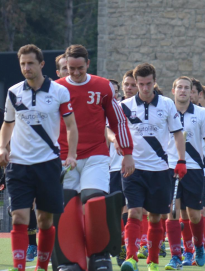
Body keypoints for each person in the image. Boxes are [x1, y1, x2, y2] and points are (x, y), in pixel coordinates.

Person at [0, 44, 78, 271]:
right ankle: (19, 266)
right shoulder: (13, 92)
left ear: (41, 64)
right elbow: (7, 124)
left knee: (45, 220)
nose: (26, 67)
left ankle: (42, 266)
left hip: (48, 165)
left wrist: (71, 154)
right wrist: (2, 147)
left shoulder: (59, 92)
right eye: (22, 64)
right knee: (19, 217)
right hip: (18, 165)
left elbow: (71, 126)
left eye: (30, 63)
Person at [53, 44, 134, 271]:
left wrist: (127, 153)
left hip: (96, 155)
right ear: (64, 67)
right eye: (71, 69)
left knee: (94, 200)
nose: (76, 73)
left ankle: (100, 257)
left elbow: (118, 121)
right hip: (64, 157)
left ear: (88, 64)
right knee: (68, 206)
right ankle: (70, 260)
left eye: (80, 68)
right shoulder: (55, 89)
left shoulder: (103, 86)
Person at [120, 63, 186, 271]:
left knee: (156, 217)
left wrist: (181, 160)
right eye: (141, 84)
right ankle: (131, 258)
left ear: (154, 82)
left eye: (148, 84)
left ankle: (154, 261)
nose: (145, 88)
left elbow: (177, 134)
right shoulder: (126, 106)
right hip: (133, 169)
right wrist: (119, 145)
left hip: (160, 169)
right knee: (134, 212)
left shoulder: (167, 104)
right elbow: (111, 131)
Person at [165, 76, 205, 269]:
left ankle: (198, 247)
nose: (183, 91)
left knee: (194, 216)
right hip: (170, 168)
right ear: (173, 90)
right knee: (172, 213)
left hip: (195, 170)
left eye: (186, 88)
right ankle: (176, 256)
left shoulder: (203, 114)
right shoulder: (166, 111)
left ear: (192, 92)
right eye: (179, 87)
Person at [106, 70, 139, 267]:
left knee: (133, 209)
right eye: (125, 85)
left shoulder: (144, 108)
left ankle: (131, 246)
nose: (128, 88)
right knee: (116, 210)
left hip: (137, 166)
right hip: (112, 167)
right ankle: (120, 245)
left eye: (131, 85)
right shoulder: (111, 110)